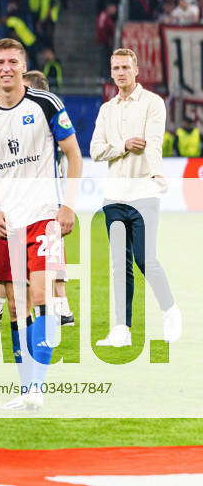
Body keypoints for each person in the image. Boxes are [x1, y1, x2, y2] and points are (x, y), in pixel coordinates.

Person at [0, 39, 82, 411]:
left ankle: (37, 388)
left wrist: (67, 205)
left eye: (13, 61)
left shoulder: (46, 104)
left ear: (22, 66)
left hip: (44, 216)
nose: (6, 67)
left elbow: (74, 155)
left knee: (42, 298)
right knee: (16, 309)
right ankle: (26, 389)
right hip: (6, 223)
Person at [91, 48, 180, 347]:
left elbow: (152, 142)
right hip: (114, 196)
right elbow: (95, 150)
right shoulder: (107, 110)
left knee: (145, 259)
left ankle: (170, 311)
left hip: (143, 192)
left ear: (136, 70)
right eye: (115, 67)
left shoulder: (153, 104)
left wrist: (156, 173)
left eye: (125, 67)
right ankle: (121, 330)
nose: (120, 72)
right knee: (119, 264)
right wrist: (124, 145)